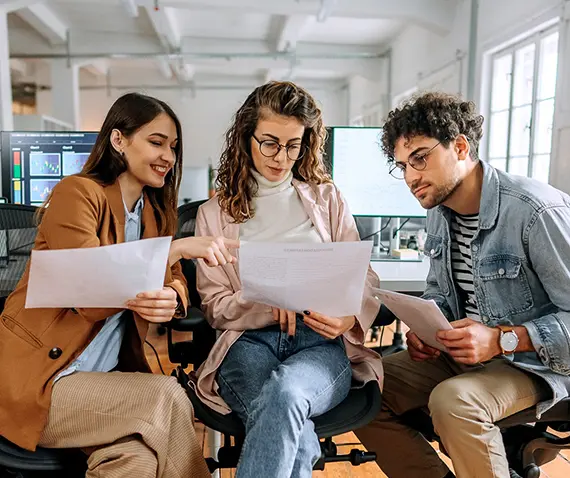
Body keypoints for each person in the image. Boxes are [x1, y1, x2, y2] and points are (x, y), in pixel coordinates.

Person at [0, 92, 238, 478]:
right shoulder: (76, 194)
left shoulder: (154, 212)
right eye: (156, 142)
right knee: (167, 396)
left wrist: (171, 300)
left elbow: (174, 282)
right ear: (118, 140)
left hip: (101, 383)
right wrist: (174, 250)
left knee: (137, 462)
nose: (168, 156)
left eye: (173, 147)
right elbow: (90, 290)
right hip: (44, 382)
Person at [355, 91, 570, 478]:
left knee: (454, 401)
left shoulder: (536, 212)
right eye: (402, 165)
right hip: (469, 358)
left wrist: (503, 338)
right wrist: (426, 331)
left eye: (419, 158)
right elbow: (442, 293)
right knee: (361, 391)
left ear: (459, 146)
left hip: (537, 365)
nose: (410, 177)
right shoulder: (441, 210)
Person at [192, 81, 382, 478]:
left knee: (285, 394)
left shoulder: (327, 199)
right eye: (270, 143)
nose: (282, 157)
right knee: (291, 419)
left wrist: (348, 318)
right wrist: (264, 299)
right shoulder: (213, 214)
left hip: (320, 343)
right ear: (247, 138)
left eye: (293, 145)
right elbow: (214, 308)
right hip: (247, 344)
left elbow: (362, 276)